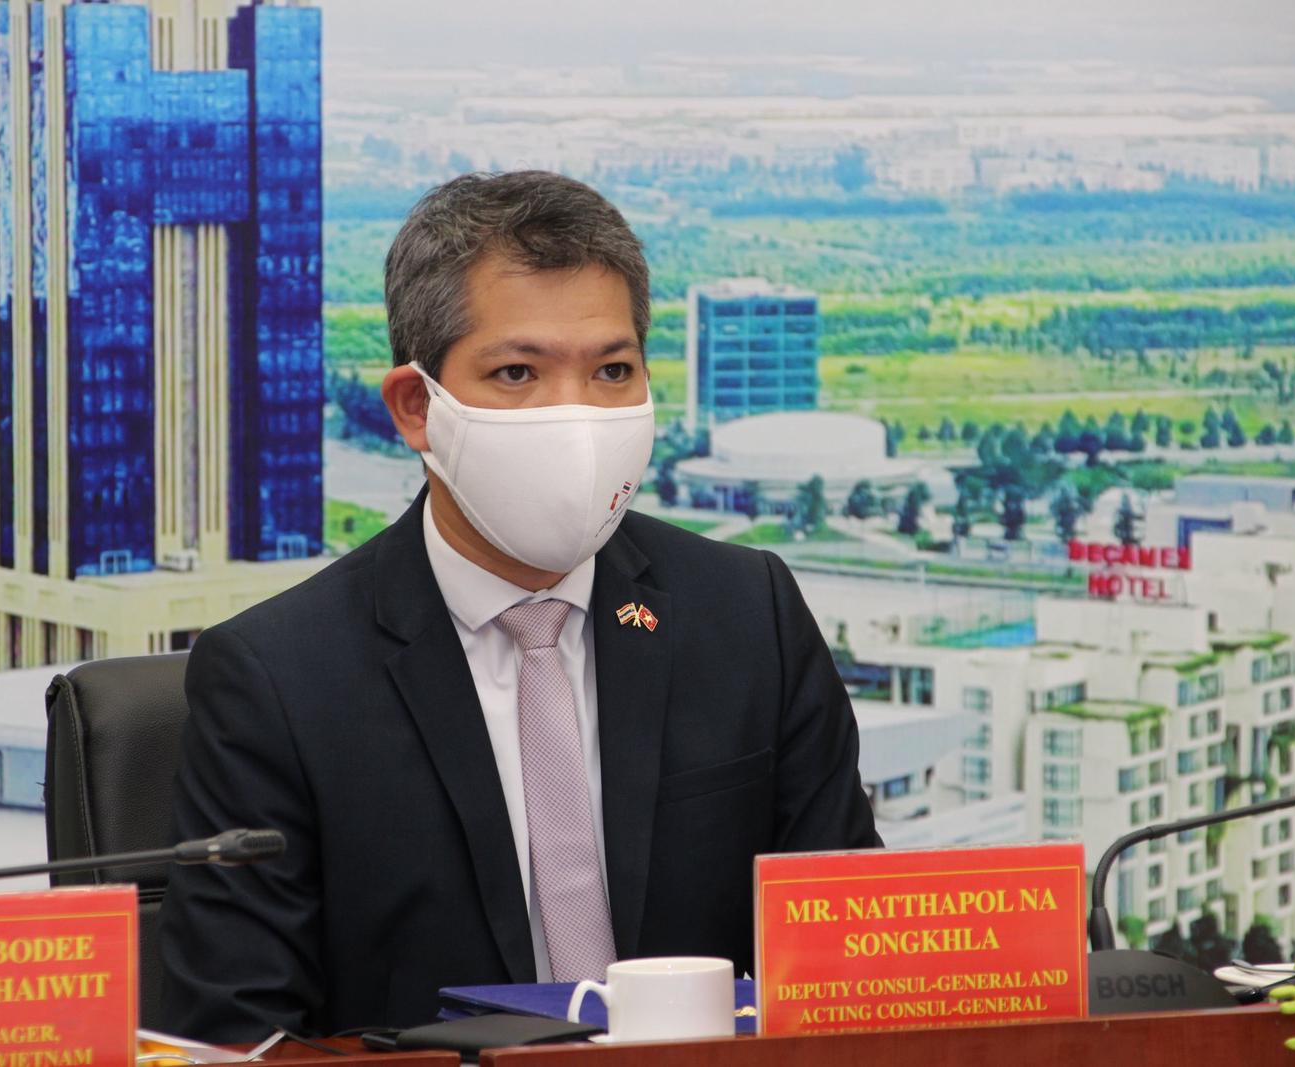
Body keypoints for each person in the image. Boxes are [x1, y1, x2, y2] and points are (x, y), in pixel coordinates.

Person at [159, 171, 880, 1041]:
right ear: (417, 407)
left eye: (612, 370)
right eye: (517, 372)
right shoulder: (277, 680)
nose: (575, 418)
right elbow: (242, 1034)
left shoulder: (747, 615)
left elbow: (850, 967)